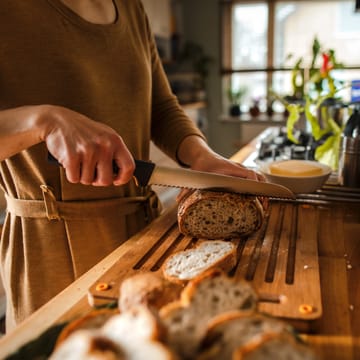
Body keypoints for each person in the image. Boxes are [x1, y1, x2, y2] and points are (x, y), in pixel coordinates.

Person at [0, 0, 262, 331]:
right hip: (51, 256)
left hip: (143, 238)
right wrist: (42, 121)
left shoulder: (131, 8)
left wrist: (202, 157)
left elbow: (162, 107)